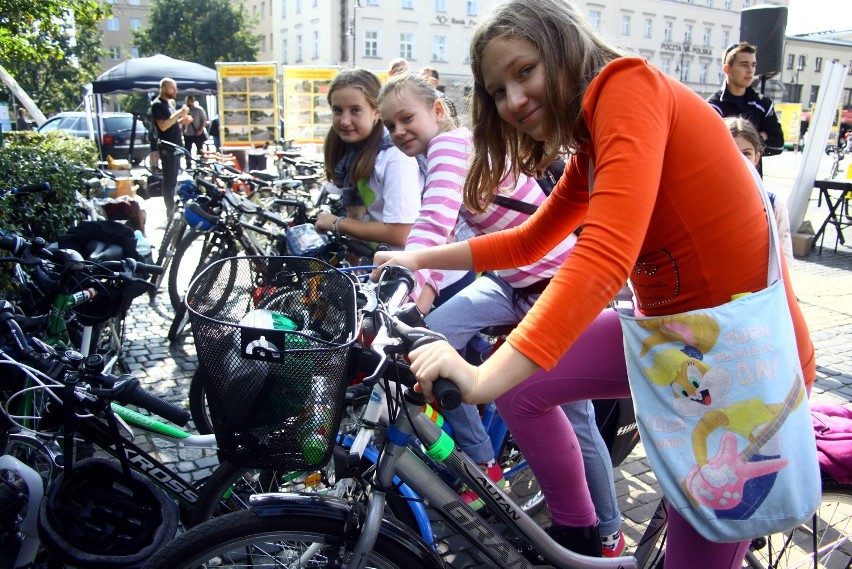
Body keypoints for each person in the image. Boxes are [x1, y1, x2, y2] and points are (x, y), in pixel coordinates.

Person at [374, 0, 815, 565]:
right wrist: (415, 257)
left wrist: (479, 378)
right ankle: (579, 539)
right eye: (497, 90)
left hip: (741, 361)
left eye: (525, 71)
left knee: (694, 542)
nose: (512, 100)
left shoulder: (627, 87)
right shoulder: (590, 143)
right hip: (674, 340)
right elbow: (529, 241)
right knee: (521, 387)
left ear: (563, 48)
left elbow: (604, 254)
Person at [378, 72, 625, 556]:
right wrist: (414, 303)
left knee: (577, 421)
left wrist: (408, 276)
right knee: (425, 341)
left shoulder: (451, 146)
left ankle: (609, 531)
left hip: (554, 287)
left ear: (440, 111)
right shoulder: (442, 154)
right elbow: (446, 230)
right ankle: (482, 460)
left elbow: (433, 222)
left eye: (407, 117)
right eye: (389, 125)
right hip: (509, 282)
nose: (399, 130)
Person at [314, 68, 422, 249]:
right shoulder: (352, 153)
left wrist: (337, 223)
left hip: (426, 273)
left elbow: (402, 233)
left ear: (377, 112)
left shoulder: (395, 157)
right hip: (385, 265)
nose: (344, 121)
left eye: (355, 110)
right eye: (338, 110)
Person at [725, 116, 795, 267]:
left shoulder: (772, 204)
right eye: (731, 151)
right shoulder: (703, 200)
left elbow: (785, 260)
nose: (739, 160)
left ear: (757, 157)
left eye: (746, 154)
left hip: (759, 288)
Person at [707, 42, 784, 175]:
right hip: (720, 178)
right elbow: (710, 147)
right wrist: (759, 137)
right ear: (727, 69)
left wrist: (734, 143)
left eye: (753, 65)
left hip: (753, 182)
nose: (750, 71)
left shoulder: (763, 104)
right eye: (744, 65)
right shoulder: (712, 106)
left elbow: (778, 144)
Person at [150, 78, 191, 217]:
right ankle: (170, 211)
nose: (175, 91)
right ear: (165, 88)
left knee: (174, 179)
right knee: (168, 181)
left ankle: (173, 209)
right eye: (173, 88)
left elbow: (171, 123)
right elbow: (163, 125)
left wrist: (181, 121)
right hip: (167, 148)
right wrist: (179, 113)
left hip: (176, 145)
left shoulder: (169, 104)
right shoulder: (157, 105)